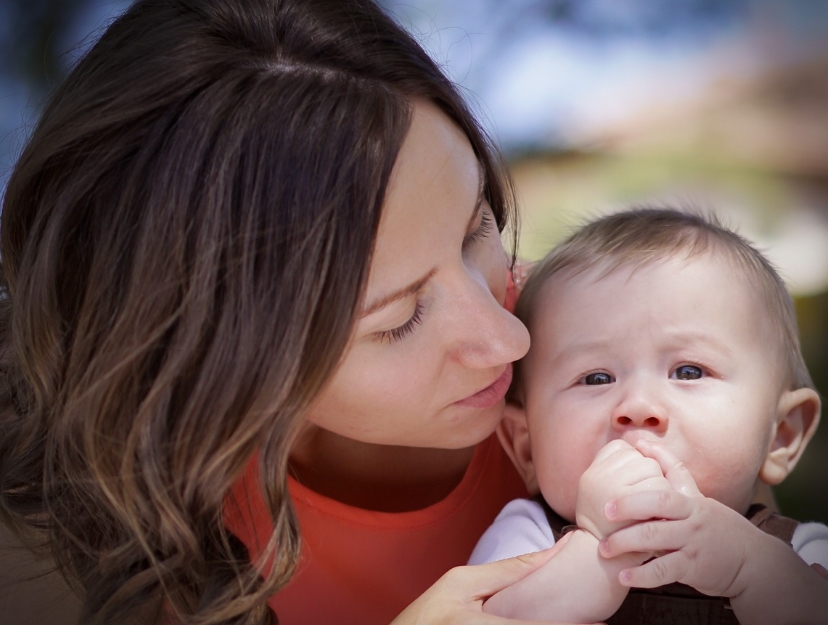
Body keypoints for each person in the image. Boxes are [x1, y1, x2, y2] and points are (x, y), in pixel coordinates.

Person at [0, 1, 587, 624]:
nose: (510, 337)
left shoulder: (618, 365)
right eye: (400, 320)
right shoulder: (92, 513)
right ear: (216, 357)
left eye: (477, 228)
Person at [469, 208, 828, 624]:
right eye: (596, 377)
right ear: (528, 447)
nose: (638, 406)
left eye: (689, 371)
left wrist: (751, 572)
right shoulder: (527, 538)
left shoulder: (802, 552)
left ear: (780, 435)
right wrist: (595, 553)